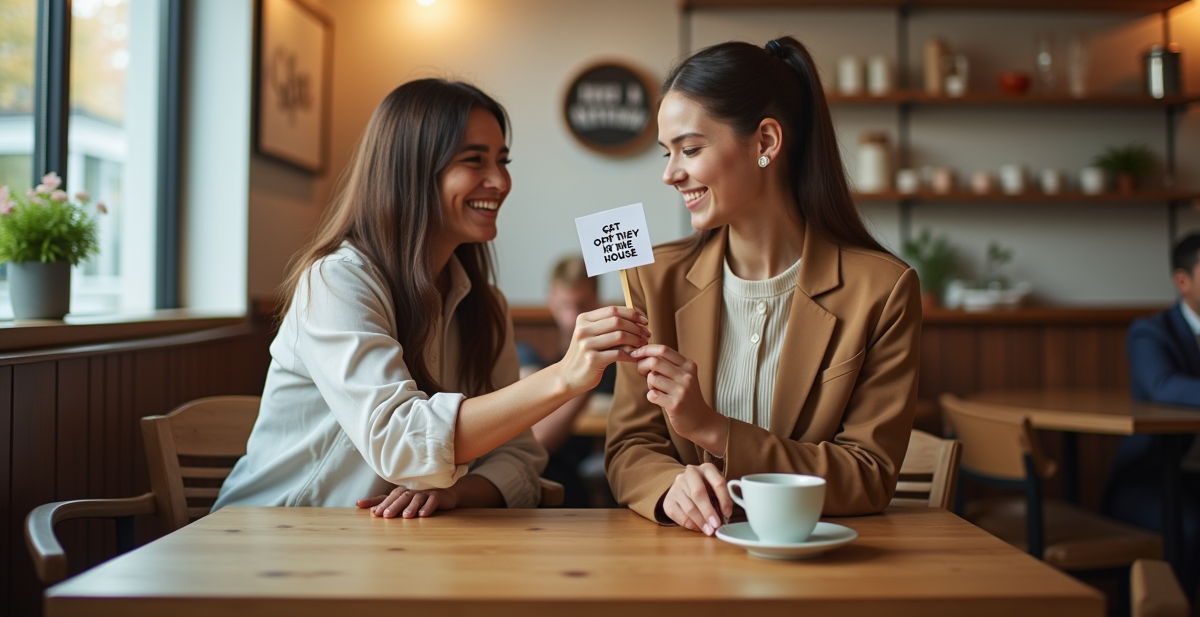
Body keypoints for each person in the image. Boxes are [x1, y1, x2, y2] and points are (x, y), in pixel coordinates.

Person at [214, 79, 648, 518]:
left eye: (502, 161)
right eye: (475, 161)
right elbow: (401, 443)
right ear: (413, 169)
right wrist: (564, 377)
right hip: (273, 536)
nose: (500, 181)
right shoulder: (336, 281)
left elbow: (520, 457)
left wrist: (458, 493)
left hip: (387, 547)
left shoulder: (486, 304)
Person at [605, 37, 921, 535]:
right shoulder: (651, 281)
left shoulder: (882, 290)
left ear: (767, 142)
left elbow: (869, 475)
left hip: (823, 568)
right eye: (666, 154)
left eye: (689, 149)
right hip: (683, 568)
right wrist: (670, 487)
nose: (670, 174)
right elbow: (630, 448)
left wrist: (713, 429)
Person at [1101, 232, 1200, 601]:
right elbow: (1164, 386)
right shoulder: (1151, 331)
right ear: (1182, 281)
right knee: (1189, 531)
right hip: (1153, 478)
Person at [516, 257, 616, 506]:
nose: (572, 318)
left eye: (580, 305)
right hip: (557, 475)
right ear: (551, 302)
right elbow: (538, 441)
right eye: (564, 305)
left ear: (596, 302)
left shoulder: (617, 366)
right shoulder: (536, 361)